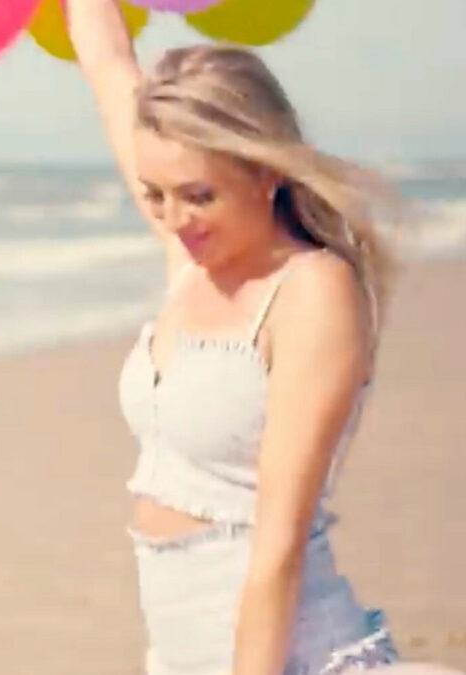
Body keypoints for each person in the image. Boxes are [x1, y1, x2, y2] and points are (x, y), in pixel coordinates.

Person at [66, 1, 403, 673]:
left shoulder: (311, 294)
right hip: (180, 653)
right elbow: (107, 63)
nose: (174, 218)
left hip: (287, 656)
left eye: (199, 195)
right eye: (154, 194)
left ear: (265, 170)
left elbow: (277, 546)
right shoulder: (191, 256)